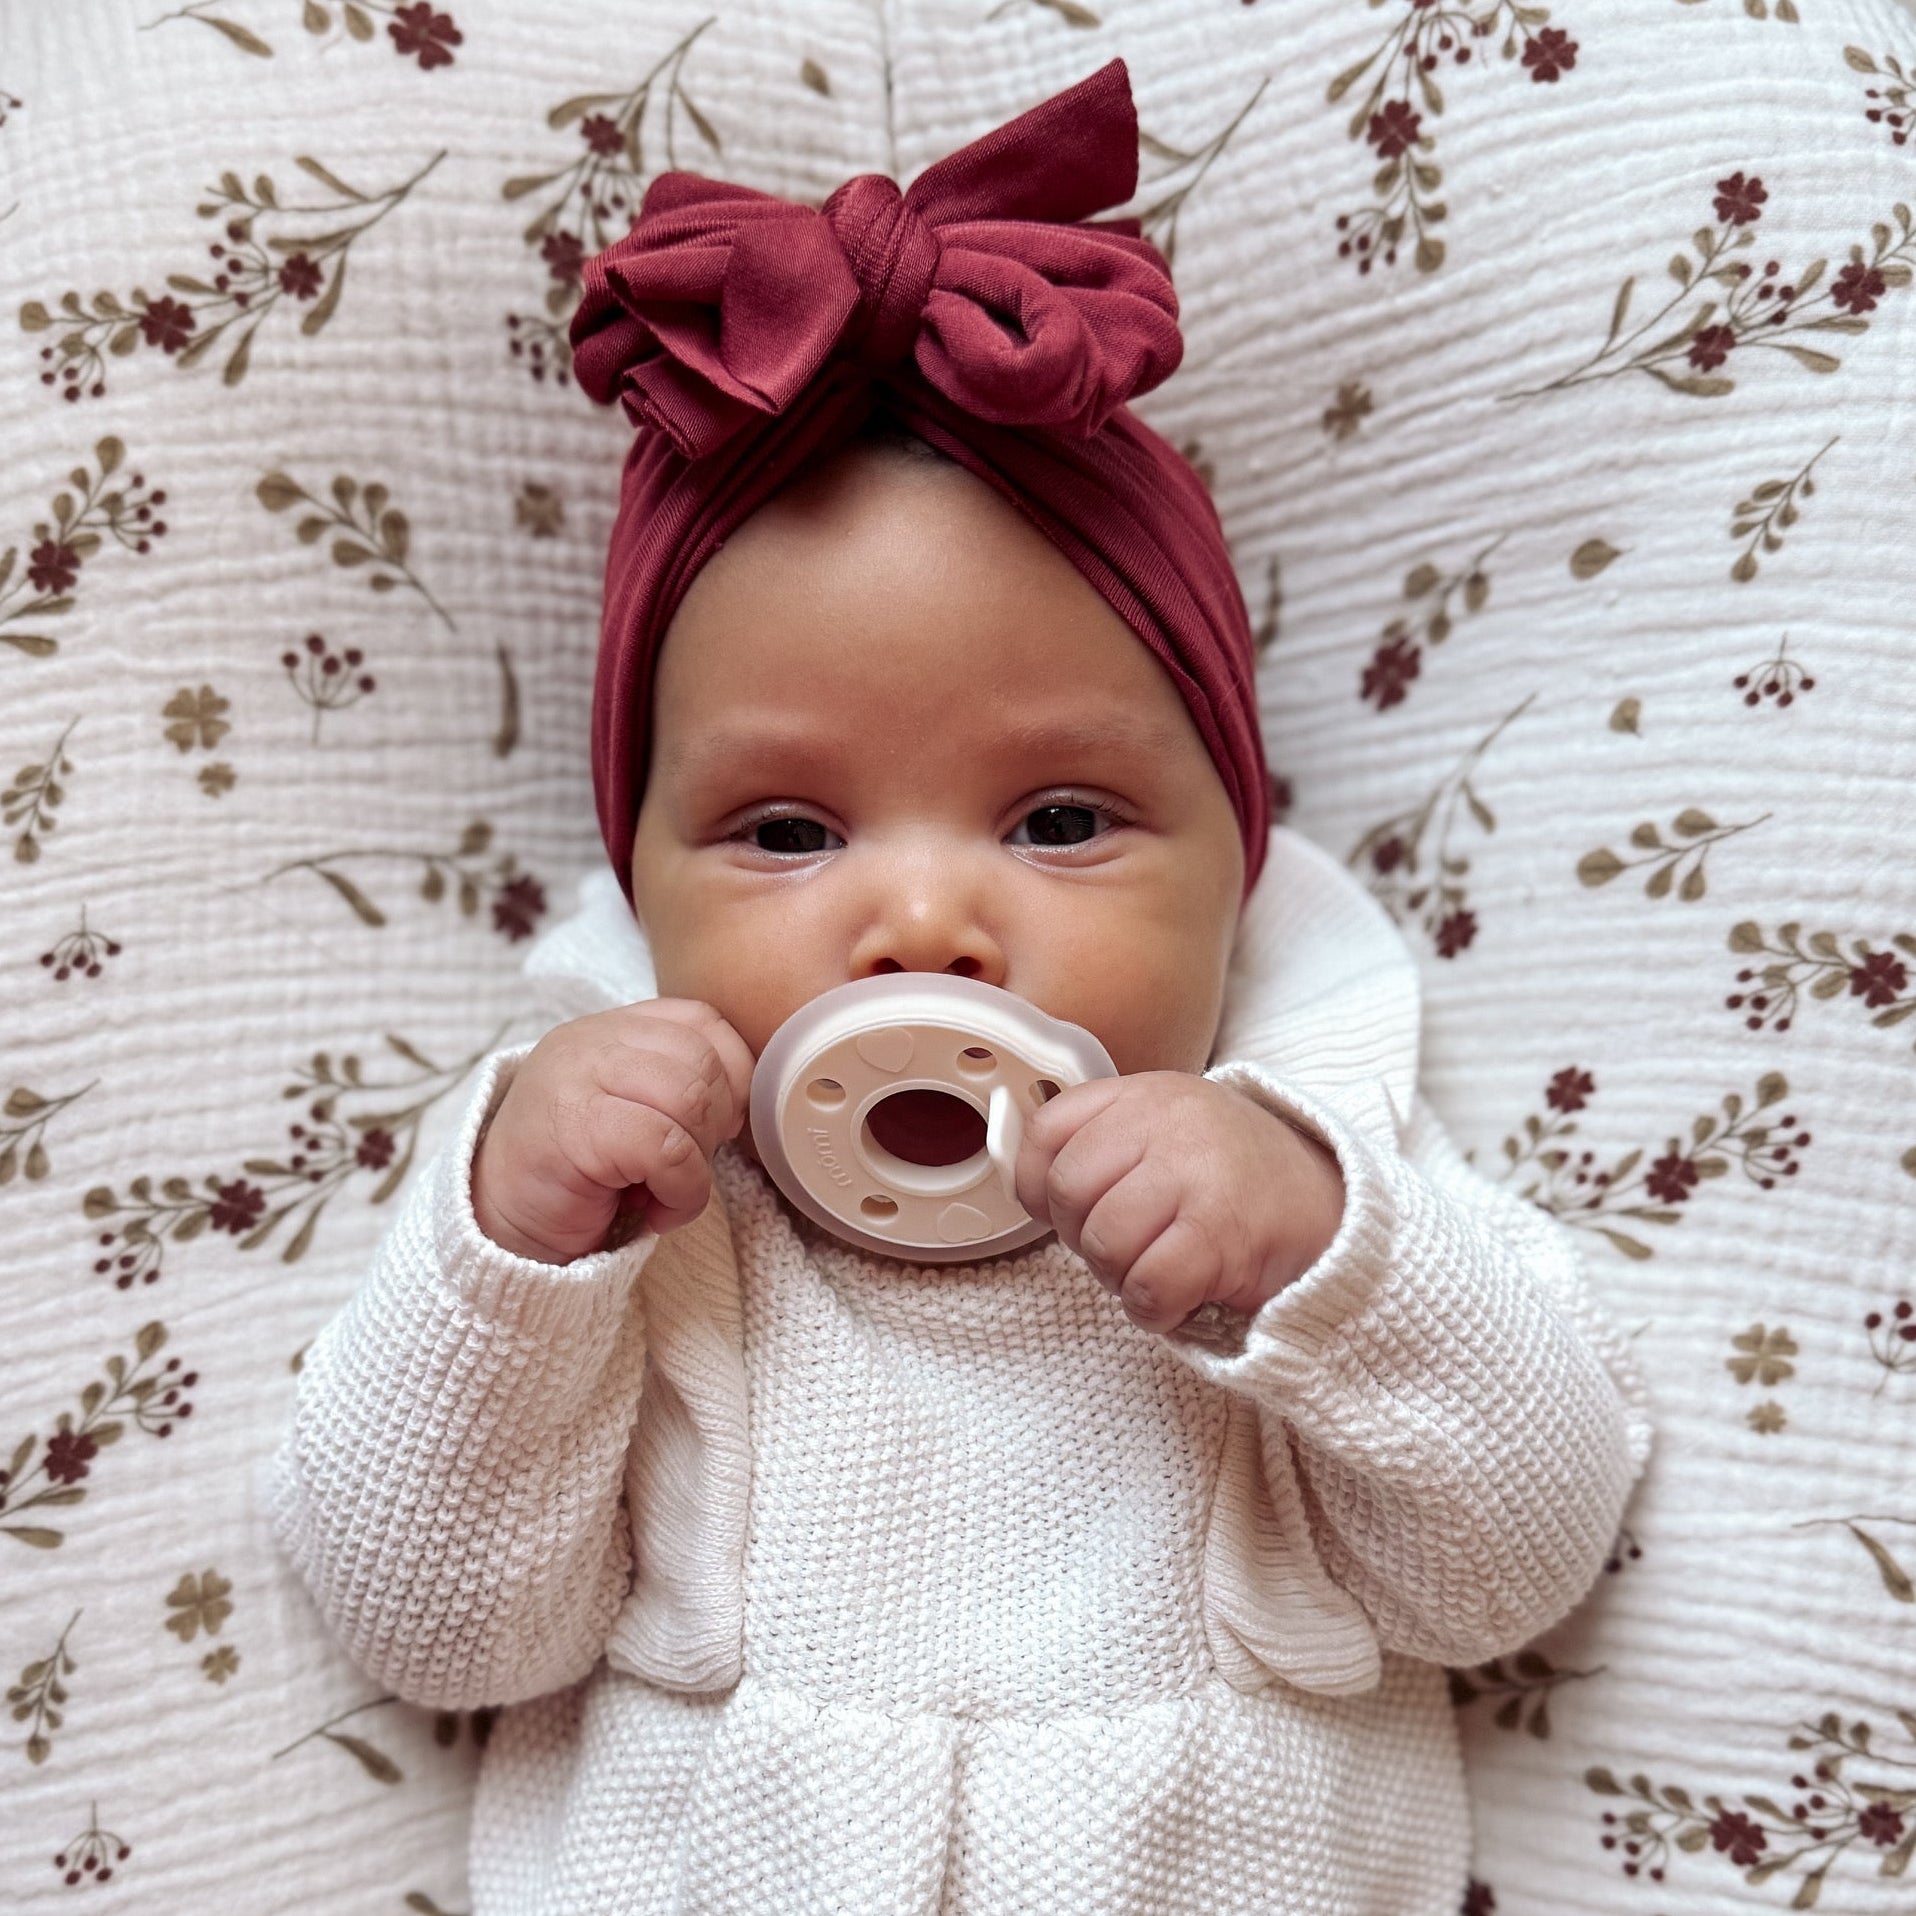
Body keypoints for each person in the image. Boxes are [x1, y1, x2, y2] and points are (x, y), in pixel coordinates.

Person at [269, 60, 1652, 1915]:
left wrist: (1331, 1259)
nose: (922, 925)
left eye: (1061, 818)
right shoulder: (625, 1218)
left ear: (1235, 864)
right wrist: (511, 1265)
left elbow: (1515, 1570)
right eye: (783, 834)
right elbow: (435, 1629)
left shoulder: (1317, 1174)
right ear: (642, 883)